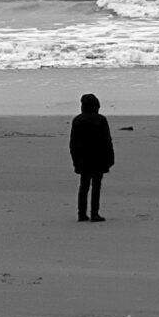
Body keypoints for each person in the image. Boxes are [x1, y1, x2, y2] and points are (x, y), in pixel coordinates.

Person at [70, 92, 115, 222]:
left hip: (83, 158)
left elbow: (72, 143)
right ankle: (94, 213)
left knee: (83, 186)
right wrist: (110, 158)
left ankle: (81, 213)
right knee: (96, 186)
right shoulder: (101, 119)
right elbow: (107, 141)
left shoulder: (77, 120)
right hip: (98, 158)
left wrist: (75, 160)